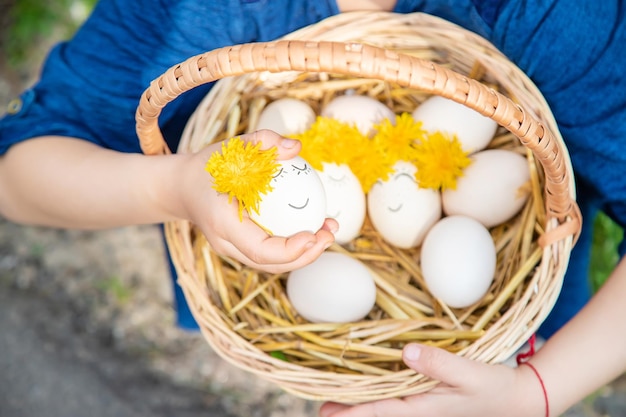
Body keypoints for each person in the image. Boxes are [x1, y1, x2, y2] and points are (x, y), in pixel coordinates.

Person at [0, 0, 624, 416]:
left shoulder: (560, 20)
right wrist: (177, 185)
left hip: (503, 362)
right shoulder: (200, 10)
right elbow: (18, 172)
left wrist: (536, 392)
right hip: (325, 349)